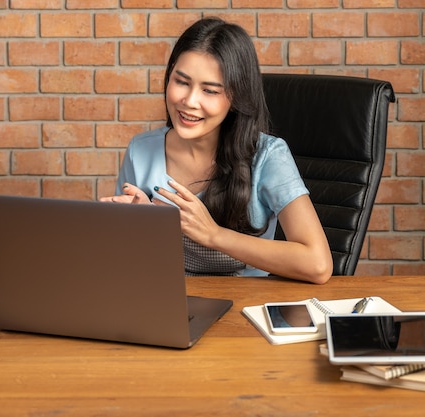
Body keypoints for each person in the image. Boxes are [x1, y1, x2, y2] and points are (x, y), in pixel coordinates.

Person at [101, 17, 332, 284]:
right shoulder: (140, 150)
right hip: (168, 302)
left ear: (235, 97)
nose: (189, 102)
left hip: (245, 308)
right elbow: (124, 264)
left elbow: (318, 265)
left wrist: (212, 234)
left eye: (210, 90)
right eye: (182, 82)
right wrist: (142, 230)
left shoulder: (268, 156)